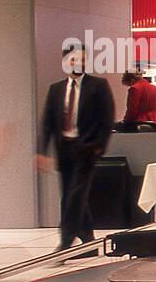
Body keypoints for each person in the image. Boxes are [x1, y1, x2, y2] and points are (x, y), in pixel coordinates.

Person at [37, 43, 114, 251]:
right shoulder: (56, 89)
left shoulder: (98, 86)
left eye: (81, 59)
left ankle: (66, 239)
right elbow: (47, 122)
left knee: (75, 195)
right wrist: (42, 151)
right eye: (73, 59)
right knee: (71, 194)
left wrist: (98, 146)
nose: (77, 63)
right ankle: (88, 241)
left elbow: (107, 119)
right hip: (64, 150)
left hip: (87, 149)